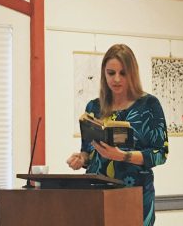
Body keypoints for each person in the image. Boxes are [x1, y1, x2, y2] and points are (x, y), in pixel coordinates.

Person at [67, 44, 169, 226]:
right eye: (111, 72)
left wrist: (123, 156)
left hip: (134, 194)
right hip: (97, 195)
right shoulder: (94, 107)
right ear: (103, 74)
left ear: (133, 73)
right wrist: (81, 158)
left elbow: (160, 154)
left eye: (123, 73)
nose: (116, 79)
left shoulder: (149, 105)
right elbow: (88, 152)